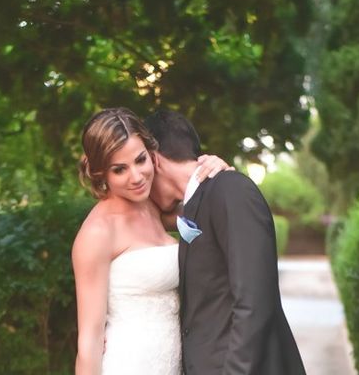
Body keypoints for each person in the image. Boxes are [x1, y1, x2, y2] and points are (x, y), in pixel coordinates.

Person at [144, 109, 306, 375]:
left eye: (142, 162)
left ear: (154, 159)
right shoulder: (197, 203)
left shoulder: (231, 189)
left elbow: (254, 302)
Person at [72, 107, 229, 375]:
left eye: (140, 160)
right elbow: (89, 341)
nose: (136, 176)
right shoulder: (98, 233)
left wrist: (218, 172)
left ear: (152, 154)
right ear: (101, 174)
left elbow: (209, 217)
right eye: (119, 169)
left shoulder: (153, 208)